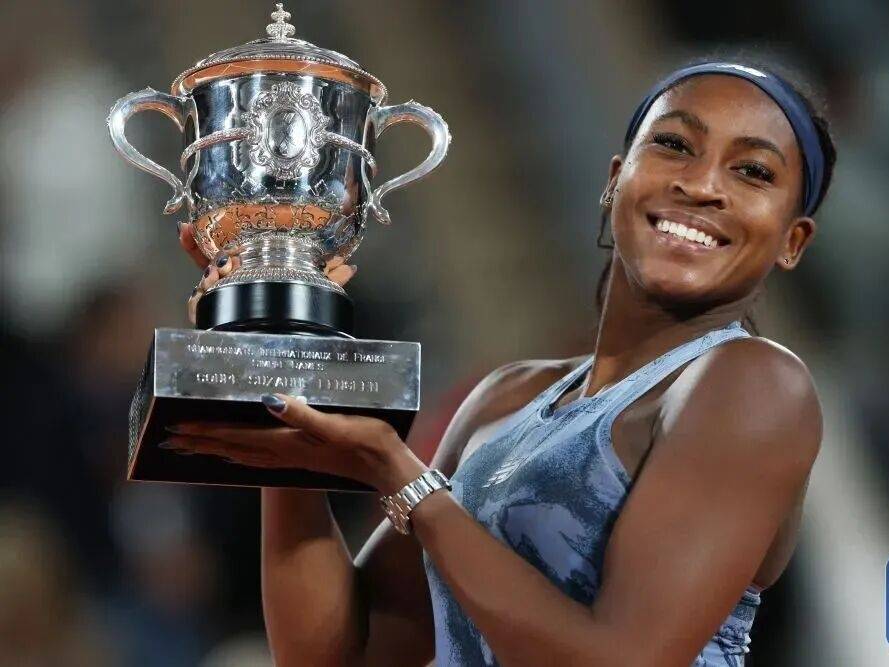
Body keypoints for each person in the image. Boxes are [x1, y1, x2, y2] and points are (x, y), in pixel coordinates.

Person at [164, 58, 837, 666]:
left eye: (752, 171)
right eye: (675, 145)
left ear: (793, 241)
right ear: (615, 181)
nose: (701, 184)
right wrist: (285, 406)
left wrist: (404, 479)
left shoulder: (754, 384)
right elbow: (344, 653)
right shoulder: (506, 396)